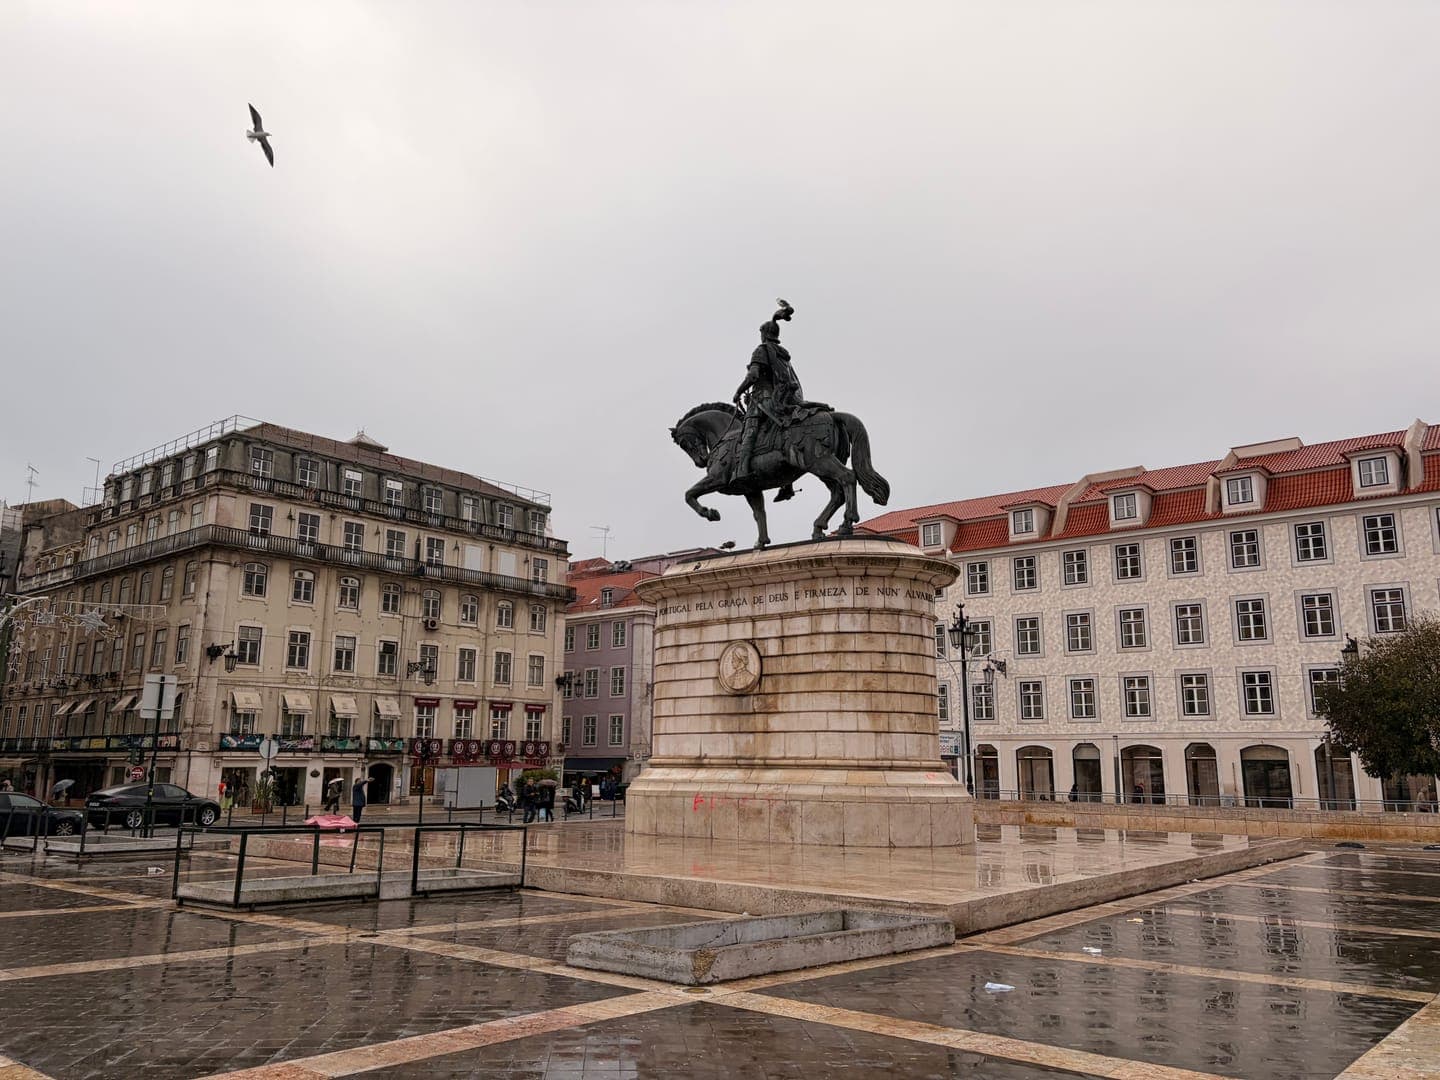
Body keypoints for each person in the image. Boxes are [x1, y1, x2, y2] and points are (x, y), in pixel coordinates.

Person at [731, 299, 804, 489]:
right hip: (782, 398)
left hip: (764, 401)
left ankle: (742, 471)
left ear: (764, 334)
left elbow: (753, 375)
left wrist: (738, 391)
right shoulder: (782, 353)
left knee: (749, 431)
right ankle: (786, 484)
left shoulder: (762, 350)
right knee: (779, 432)